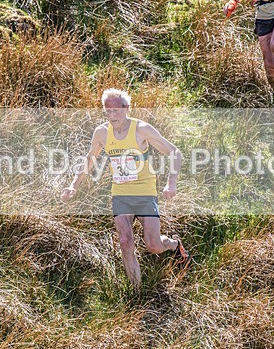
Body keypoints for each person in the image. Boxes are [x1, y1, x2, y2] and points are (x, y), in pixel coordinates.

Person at [60, 88, 188, 292]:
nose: (112, 116)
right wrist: (73, 185)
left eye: (116, 111)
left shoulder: (141, 129)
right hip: (120, 194)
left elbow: (175, 152)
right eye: (108, 111)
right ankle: (138, 294)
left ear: (127, 108)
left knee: (154, 245)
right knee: (125, 242)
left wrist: (171, 182)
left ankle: (174, 245)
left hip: (145, 192)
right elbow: (89, 159)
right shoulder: (102, 132)